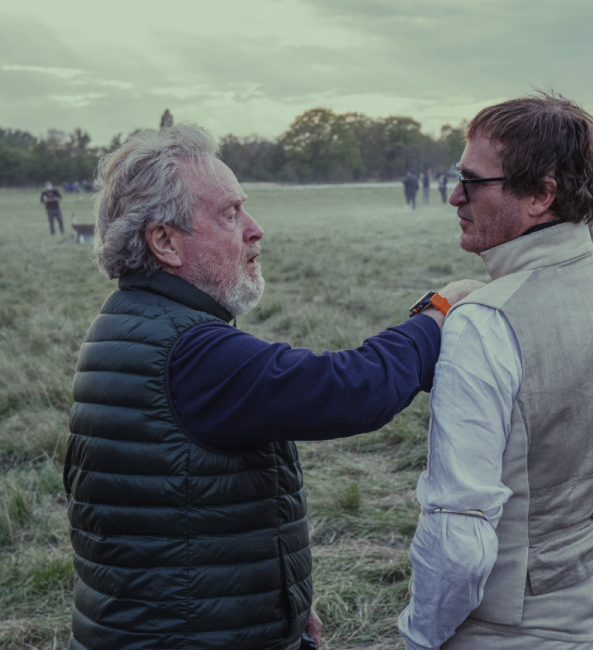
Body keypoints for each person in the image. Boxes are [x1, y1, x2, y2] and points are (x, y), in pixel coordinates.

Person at [63, 123, 480, 650]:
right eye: (229, 214)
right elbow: (349, 390)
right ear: (164, 241)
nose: (255, 229)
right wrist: (437, 316)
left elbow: (181, 521)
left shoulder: (132, 321)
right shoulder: (189, 353)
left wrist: (275, 615)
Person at [397, 92, 593, 649]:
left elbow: (458, 532)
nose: (453, 196)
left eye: (473, 181)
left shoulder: (483, 325)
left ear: (542, 194)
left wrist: (421, 636)